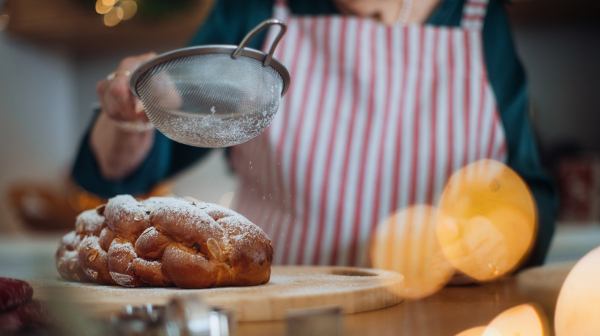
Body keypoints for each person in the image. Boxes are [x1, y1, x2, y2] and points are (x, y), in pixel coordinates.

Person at [72, 0, 557, 269]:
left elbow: (529, 189)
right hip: (279, 313)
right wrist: (133, 113)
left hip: (446, 324)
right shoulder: (256, 10)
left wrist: (495, 239)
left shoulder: (480, 19)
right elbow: (123, 170)